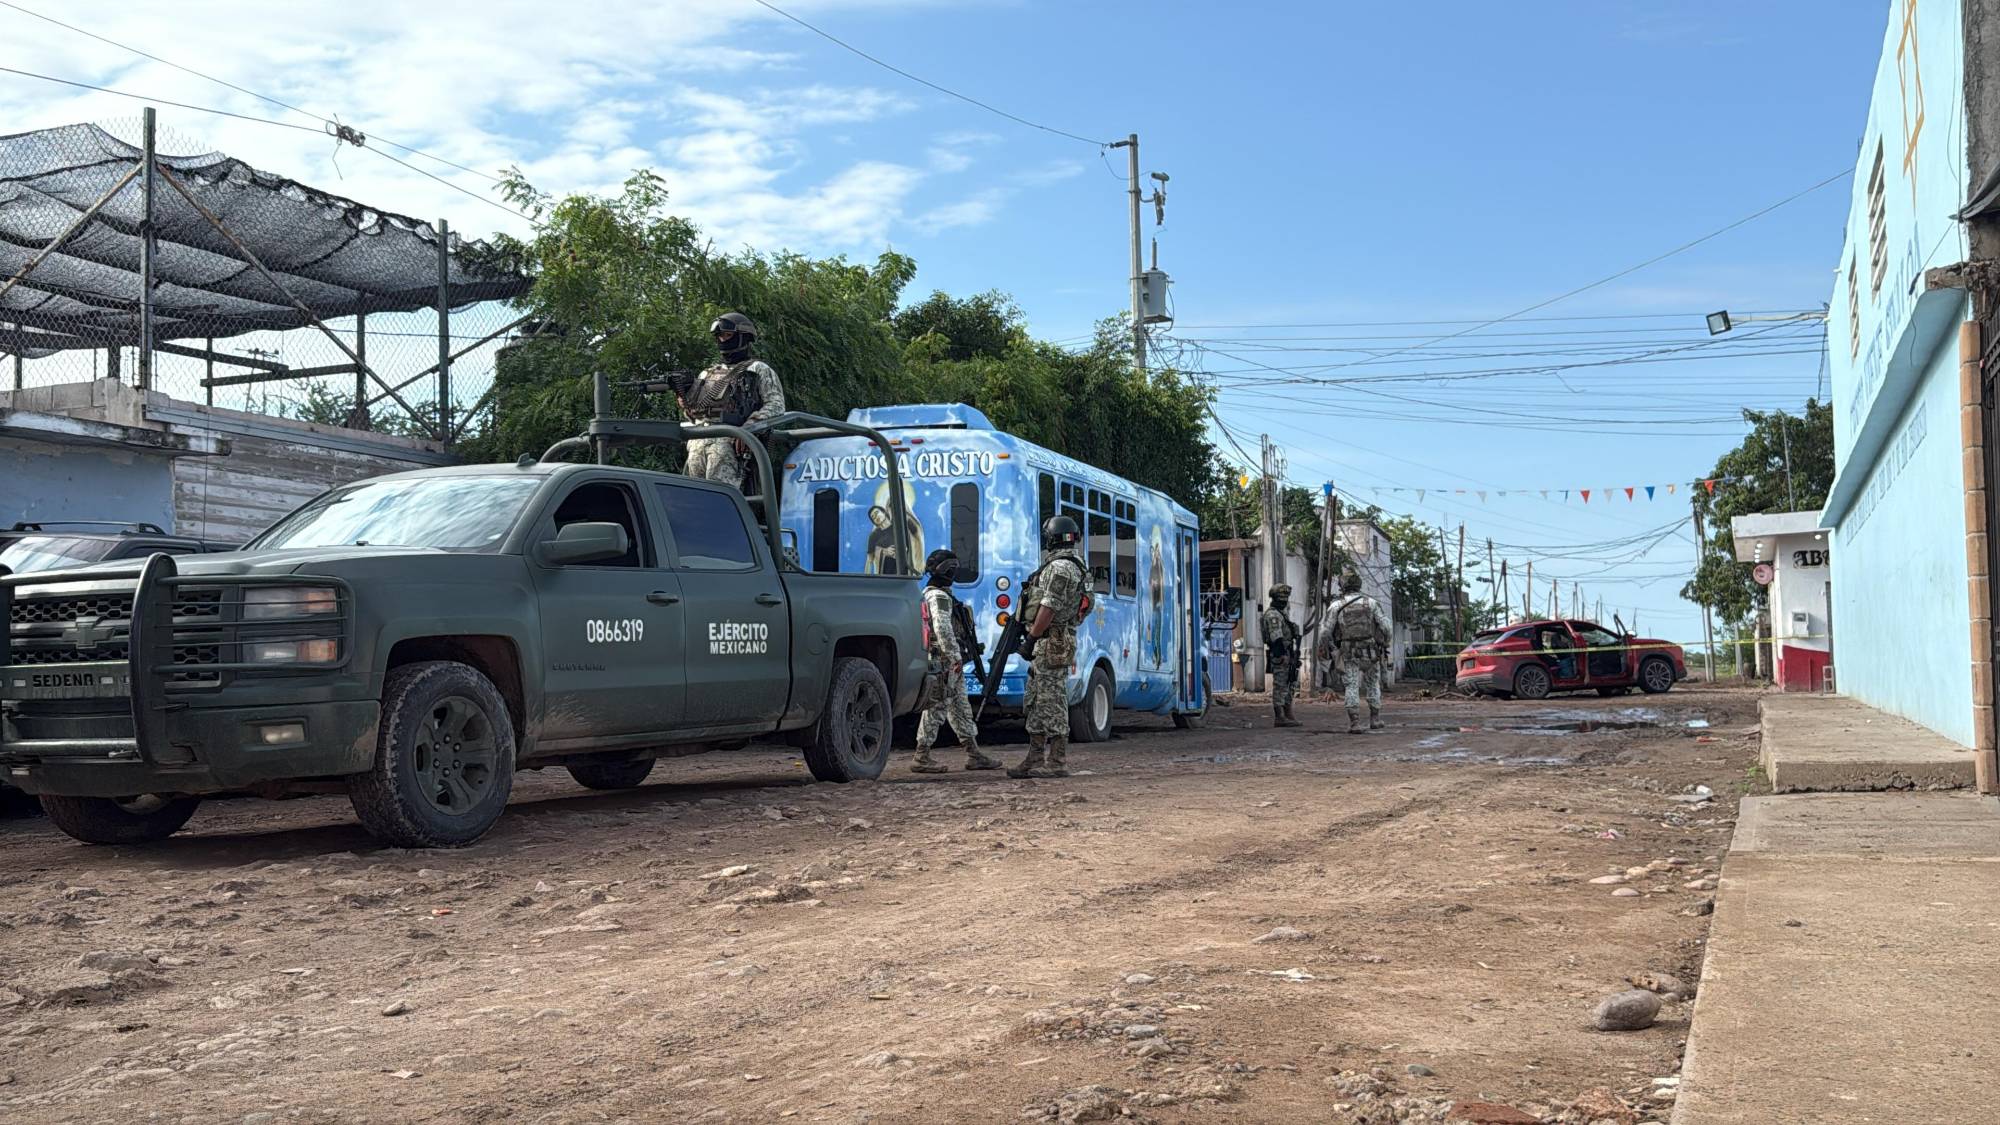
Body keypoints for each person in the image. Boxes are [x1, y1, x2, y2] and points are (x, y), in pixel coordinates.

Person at [1009, 515, 1089, 779]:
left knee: (1051, 699)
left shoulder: (1060, 568)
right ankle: (1034, 757)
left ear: (1051, 538)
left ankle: (1056, 760)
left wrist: (1032, 637)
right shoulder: (1077, 566)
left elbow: (1049, 606)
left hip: (1049, 641)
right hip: (1053, 639)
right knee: (1035, 697)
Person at [912, 549, 1001, 774]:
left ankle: (974, 754)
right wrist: (954, 657)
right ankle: (921, 756)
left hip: (949, 662)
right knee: (937, 706)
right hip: (944, 661)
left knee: (960, 707)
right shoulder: (939, 597)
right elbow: (942, 629)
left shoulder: (939, 593)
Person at [677, 312, 786, 491]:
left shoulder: (758, 369)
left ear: (743, 337)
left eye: (727, 335)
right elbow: (695, 415)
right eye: (719, 336)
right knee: (694, 497)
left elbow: (776, 405)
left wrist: (749, 428)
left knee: (721, 497)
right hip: (698, 442)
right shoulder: (707, 374)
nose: (722, 340)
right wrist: (685, 403)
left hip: (728, 443)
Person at [1329, 569, 1390, 733]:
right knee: (1372, 683)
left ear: (1342, 586)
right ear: (1359, 584)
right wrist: (1386, 643)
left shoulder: (1336, 606)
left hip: (1348, 651)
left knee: (1351, 685)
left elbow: (1325, 631)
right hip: (1370, 651)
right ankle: (1375, 719)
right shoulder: (1371, 603)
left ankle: (1355, 722)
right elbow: (1386, 626)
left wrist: (1327, 648)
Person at [1261, 584, 1302, 727]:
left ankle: (1288, 713)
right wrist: (1282, 654)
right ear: (1275, 599)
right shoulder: (1273, 615)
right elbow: (1276, 637)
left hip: (1288, 652)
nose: (1284, 602)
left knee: (1290, 683)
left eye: (1285, 599)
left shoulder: (1281, 614)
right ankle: (1279, 716)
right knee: (1280, 685)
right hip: (1280, 653)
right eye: (1281, 599)